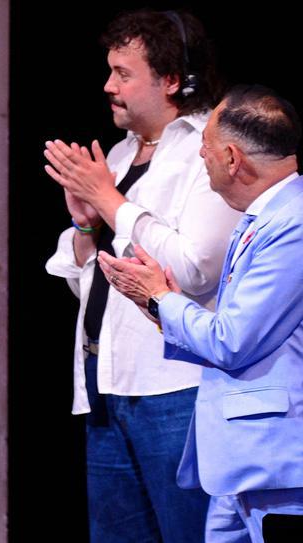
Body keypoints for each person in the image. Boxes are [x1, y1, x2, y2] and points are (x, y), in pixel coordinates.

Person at [43, 10, 242, 542]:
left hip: (176, 388)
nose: (108, 86)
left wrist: (108, 200)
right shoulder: (120, 153)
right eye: (109, 72)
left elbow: (194, 269)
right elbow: (91, 281)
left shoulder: (208, 153)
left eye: (123, 73)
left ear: (172, 79)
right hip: (106, 384)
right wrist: (83, 223)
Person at [99, 84, 303, 543]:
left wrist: (160, 297)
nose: (201, 160)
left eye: (204, 150)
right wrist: (157, 302)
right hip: (239, 468)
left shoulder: (293, 223)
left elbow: (231, 342)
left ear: (232, 158)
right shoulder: (262, 218)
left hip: (276, 469)